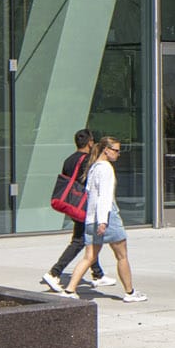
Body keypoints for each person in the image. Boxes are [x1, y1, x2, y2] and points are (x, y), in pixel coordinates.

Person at [58, 136, 144, 302]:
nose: (118, 154)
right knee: (122, 256)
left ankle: (70, 290)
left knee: (89, 256)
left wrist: (93, 219)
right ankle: (130, 292)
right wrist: (103, 221)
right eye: (116, 150)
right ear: (107, 150)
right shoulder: (105, 168)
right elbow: (104, 197)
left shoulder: (93, 167)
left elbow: (90, 195)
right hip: (107, 216)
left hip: (91, 218)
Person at [43, 129, 109, 290]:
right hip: (83, 204)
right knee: (80, 240)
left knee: (89, 238)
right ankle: (54, 272)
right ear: (89, 143)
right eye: (92, 141)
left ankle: (98, 273)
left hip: (72, 204)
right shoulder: (87, 160)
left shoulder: (69, 160)